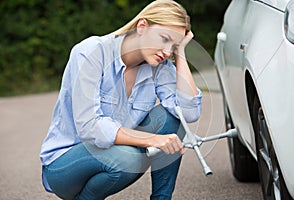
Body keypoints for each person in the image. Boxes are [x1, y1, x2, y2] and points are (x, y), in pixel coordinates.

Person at [40, 0, 202, 199]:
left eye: (174, 46)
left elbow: (188, 114)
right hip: (65, 165)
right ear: (142, 26)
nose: (167, 52)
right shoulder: (91, 51)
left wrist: (182, 54)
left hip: (118, 152)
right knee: (130, 160)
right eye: (164, 39)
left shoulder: (159, 66)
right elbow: (90, 127)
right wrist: (152, 140)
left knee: (172, 117)